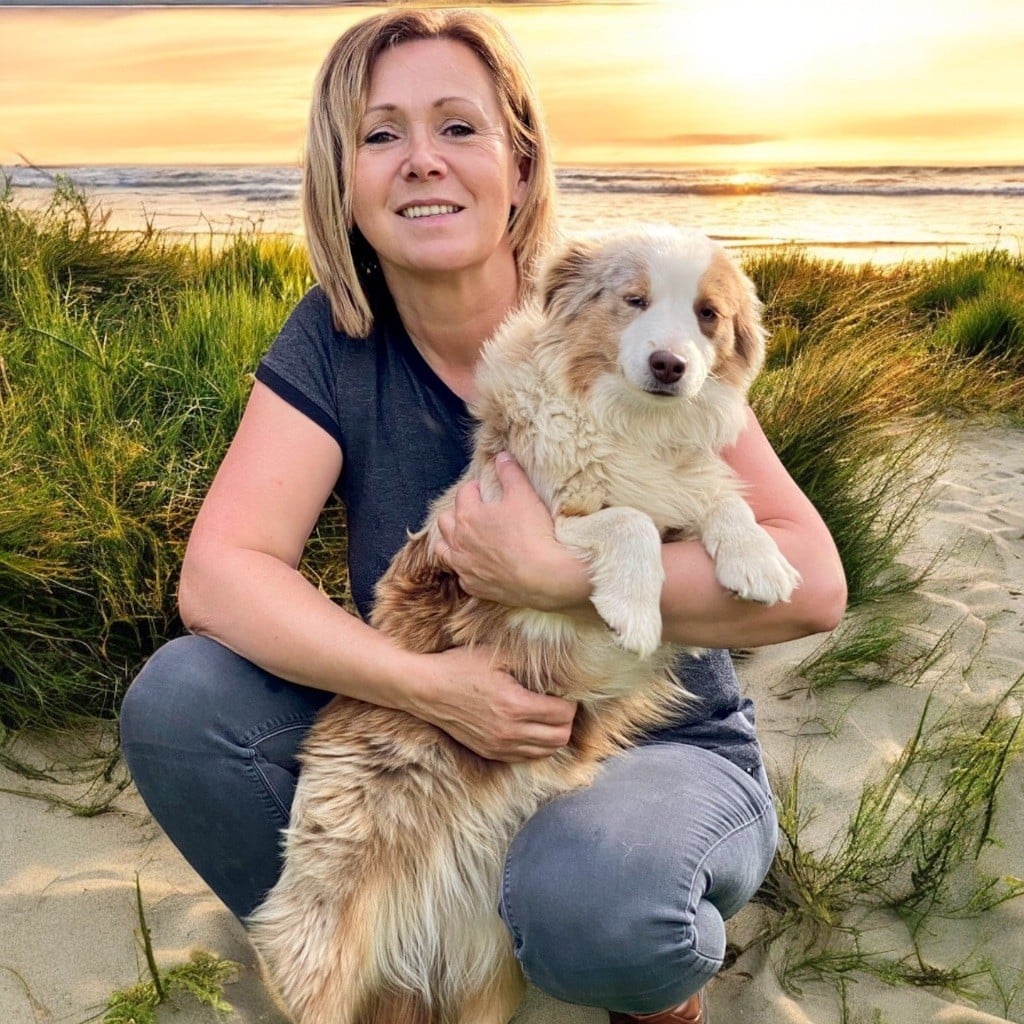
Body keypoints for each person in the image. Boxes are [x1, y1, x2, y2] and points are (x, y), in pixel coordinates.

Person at [119, 9, 847, 1023]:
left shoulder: (627, 322)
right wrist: (434, 688)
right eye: (381, 134)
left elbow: (812, 586)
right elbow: (222, 572)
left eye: (458, 127)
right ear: (343, 179)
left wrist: (554, 575)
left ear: (521, 161)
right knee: (181, 703)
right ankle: (389, 976)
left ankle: (634, 978)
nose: (422, 159)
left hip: (648, 748)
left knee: (597, 901)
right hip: (438, 736)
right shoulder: (335, 336)